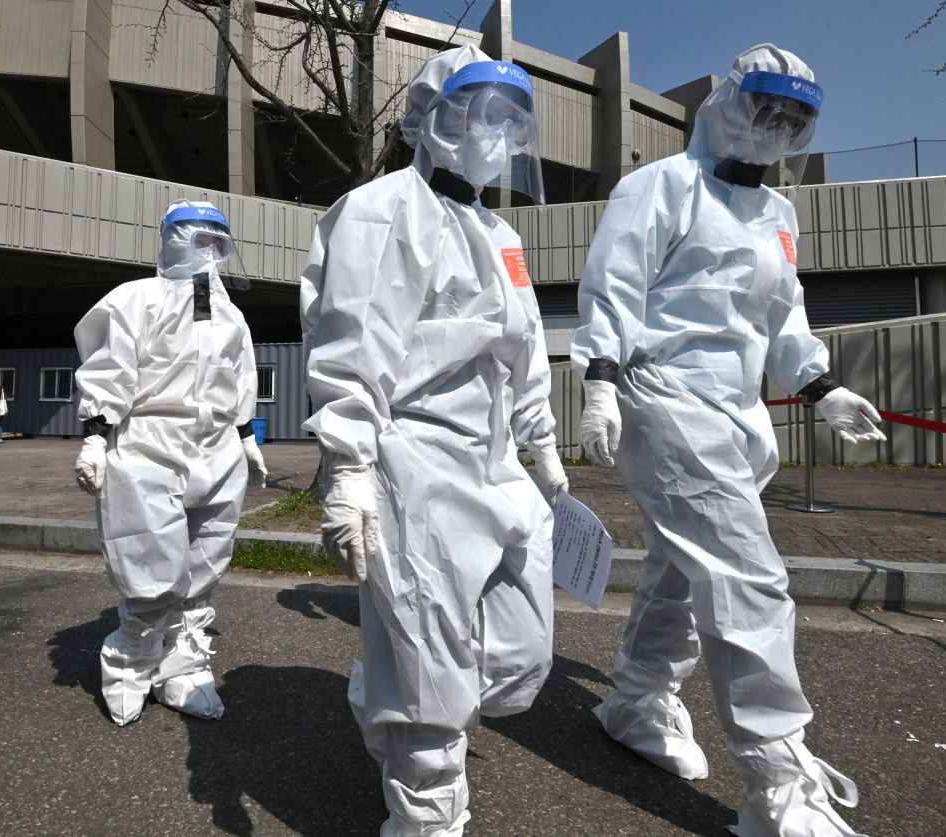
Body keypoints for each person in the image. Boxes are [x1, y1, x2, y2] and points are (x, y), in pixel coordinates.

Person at [571, 44, 884, 837]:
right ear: (726, 103)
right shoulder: (662, 188)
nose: (774, 130)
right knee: (748, 576)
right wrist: (600, 379)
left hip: (738, 412)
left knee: (684, 565)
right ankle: (777, 784)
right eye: (764, 110)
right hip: (664, 395)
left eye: (793, 121)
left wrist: (822, 387)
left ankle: (637, 697)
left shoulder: (778, 215)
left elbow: (782, 316)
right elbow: (613, 284)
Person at [301, 46, 568, 836]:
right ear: (432, 115)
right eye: (479, 110)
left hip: (494, 467)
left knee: (521, 656)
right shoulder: (384, 209)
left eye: (510, 118)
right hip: (410, 462)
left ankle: (389, 683)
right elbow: (351, 344)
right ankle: (425, 813)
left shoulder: (500, 233)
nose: (495, 132)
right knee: (432, 682)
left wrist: (542, 444)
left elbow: (524, 349)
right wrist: (347, 466)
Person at [72, 199, 268, 726]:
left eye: (215, 239)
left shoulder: (230, 314)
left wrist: (246, 434)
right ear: (170, 239)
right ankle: (130, 665)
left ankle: (183, 671)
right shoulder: (134, 299)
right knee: (150, 565)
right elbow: (110, 366)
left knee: (205, 564)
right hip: (148, 444)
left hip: (219, 447)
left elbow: (239, 376)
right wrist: (96, 433)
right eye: (195, 237)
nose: (205, 249)